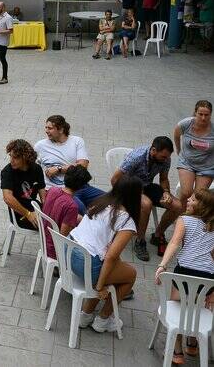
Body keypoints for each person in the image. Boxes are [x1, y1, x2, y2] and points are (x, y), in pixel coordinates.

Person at [71, 176, 140, 333]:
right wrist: (100, 286)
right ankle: (103, 320)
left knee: (114, 267)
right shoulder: (126, 220)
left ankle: (85, 315)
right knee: (130, 275)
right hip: (87, 264)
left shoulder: (99, 202)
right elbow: (110, 257)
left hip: (69, 256)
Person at [154, 188, 214, 363]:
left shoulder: (184, 220)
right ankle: (193, 341)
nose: (188, 200)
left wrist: (162, 264)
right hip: (209, 278)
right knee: (198, 304)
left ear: (201, 206)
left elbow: (174, 242)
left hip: (184, 273)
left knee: (178, 305)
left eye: (193, 200)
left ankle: (177, 349)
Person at [111, 136, 182, 261]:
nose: (166, 159)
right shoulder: (136, 157)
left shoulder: (165, 159)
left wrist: (166, 192)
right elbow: (115, 179)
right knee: (146, 204)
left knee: (177, 206)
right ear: (153, 150)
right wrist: (125, 195)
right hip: (130, 186)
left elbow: (164, 179)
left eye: (167, 157)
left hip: (147, 185)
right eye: (163, 157)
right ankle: (140, 240)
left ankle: (158, 234)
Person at [35, 114, 105, 214]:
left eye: (50, 128)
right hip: (59, 191)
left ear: (61, 129)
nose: (46, 131)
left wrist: (58, 169)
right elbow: (32, 169)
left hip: (80, 186)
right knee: (83, 212)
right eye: (46, 127)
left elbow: (83, 166)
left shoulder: (77, 141)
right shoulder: (40, 146)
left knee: (112, 200)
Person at [42, 165, 89, 259]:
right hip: (54, 250)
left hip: (44, 239)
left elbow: (57, 211)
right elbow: (62, 237)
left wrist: (82, 220)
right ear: (81, 187)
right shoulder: (72, 206)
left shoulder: (52, 190)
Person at [0, 139, 46, 231]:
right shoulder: (7, 172)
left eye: (16, 158)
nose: (11, 160)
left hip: (35, 207)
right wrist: (28, 214)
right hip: (20, 214)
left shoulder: (36, 169)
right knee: (52, 227)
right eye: (10, 156)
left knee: (65, 218)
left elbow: (43, 195)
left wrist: (48, 211)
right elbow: (7, 198)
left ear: (25, 158)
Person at [174, 100, 214, 204]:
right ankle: (180, 214)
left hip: (207, 166)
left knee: (198, 198)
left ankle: (192, 218)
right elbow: (176, 134)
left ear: (211, 114)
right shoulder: (186, 124)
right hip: (187, 162)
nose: (203, 118)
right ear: (195, 113)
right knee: (186, 192)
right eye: (200, 114)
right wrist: (178, 149)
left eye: (207, 115)